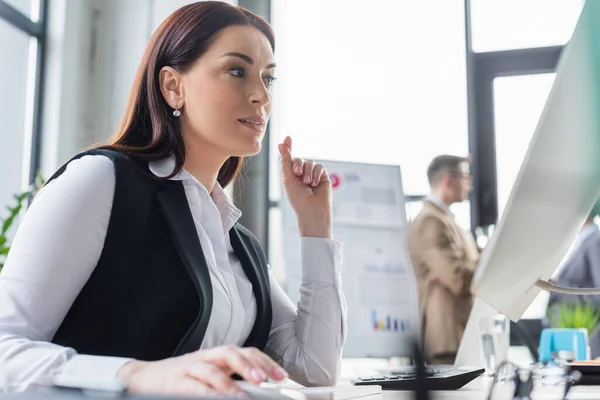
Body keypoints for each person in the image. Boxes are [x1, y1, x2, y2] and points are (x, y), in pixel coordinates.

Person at [0, 2, 346, 396]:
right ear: (172, 87)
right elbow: (5, 348)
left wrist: (315, 227)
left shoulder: (237, 242)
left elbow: (315, 368)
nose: (260, 97)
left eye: (268, 79)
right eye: (237, 71)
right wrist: (136, 375)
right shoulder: (102, 180)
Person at [407, 155, 479, 364]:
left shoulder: (445, 220)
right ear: (448, 180)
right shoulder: (431, 221)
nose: (470, 183)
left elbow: (459, 270)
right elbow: (458, 279)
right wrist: (486, 261)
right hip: (447, 340)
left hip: (459, 337)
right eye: (466, 176)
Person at [548, 207, 600, 357]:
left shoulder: (595, 242)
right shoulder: (584, 241)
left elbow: (597, 294)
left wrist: (557, 286)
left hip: (588, 341)